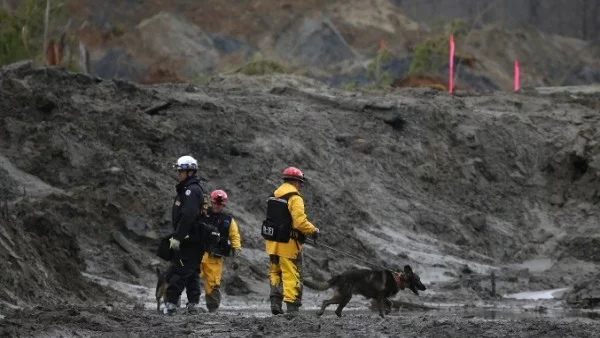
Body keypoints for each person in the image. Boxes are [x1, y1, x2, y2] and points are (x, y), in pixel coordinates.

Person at [262, 166, 319, 315]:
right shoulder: (295, 198)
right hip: (288, 245)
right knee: (291, 274)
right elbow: (300, 222)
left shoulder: (273, 196)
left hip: (272, 244)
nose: (300, 186)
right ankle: (292, 308)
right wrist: (313, 231)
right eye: (300, 183)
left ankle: (275, 303)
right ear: (295, 182)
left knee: (275, 272)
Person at [164, 155, 207, 315]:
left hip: (190, 239)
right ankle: (193, 304)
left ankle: (171, 304)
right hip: (193, 239)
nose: (178, 173)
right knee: (191, 271)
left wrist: (178, 237)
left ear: (190, 171)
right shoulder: (190, 188)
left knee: (180, 269)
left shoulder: (191, 190)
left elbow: (188, 215)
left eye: (181, 171)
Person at [199, 189, 242, 313]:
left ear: (224, 204)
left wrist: (236, 255)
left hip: (215, 258)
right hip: (198, 253)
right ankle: (189, 304)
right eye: (215, 203)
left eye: (220, 204)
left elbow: (235, 237)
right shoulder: (202, 213)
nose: (217, 206)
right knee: (190, 277)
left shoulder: (228, 220)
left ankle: (213, 309)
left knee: (213, 284)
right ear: (212, 202)